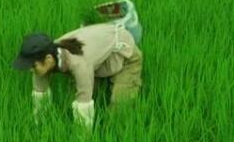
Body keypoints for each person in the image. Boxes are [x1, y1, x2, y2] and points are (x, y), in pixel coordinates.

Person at [11, 19, 143, 129]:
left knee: (119, 110)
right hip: (97, 52)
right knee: (69, 103)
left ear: (48, 59)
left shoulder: (79, 64)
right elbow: (40, 94)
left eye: (33, 66)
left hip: (125, 56)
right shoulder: (47, 53)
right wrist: (38, 124)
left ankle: (112, 134)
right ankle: (104, 77)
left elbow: (83, 105)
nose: (31, 70)